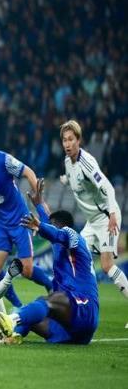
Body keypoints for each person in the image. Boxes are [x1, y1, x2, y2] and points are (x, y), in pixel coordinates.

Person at [0, 179, 99, 344]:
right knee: (31, 314)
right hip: (69, 330)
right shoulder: (58, 244)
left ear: (61, 226)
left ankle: (10, 319)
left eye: (52, 225)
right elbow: (48, 223)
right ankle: (12, 335)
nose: (47, 228)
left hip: (84, 308)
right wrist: (39, 203)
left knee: (48, 301)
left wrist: (40, 226)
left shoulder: (74, 236)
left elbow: (56, 232)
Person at [59, 120, 127, 323]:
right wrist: (65, 180)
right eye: (64, 140)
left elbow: (108, 187)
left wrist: (112, 214)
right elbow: (74, 179)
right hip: (91, 222)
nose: (67, 144)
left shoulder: (87, 163)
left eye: (71, 139)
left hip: (106, 218)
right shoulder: (67, 162)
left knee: (106, 265)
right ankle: (82, 306)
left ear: (78, 140)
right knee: (75, 256)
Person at [0, 125, 52, 310]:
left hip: (21, 221)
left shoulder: (4, 160)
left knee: (26, 270)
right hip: (2, 225)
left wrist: (40, 200)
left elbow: (28, 172)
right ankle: (18, 305)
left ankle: (50, 284)